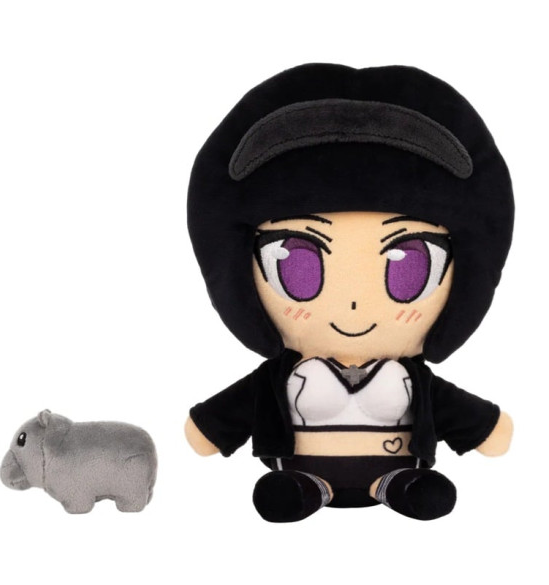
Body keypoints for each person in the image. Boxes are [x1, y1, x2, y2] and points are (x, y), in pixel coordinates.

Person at [185, 63, 514, 522]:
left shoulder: (411, 377)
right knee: (288, 494)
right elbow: (223, 418)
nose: (354, 305)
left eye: (410, 265)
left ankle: (400, 486)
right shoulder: (279, 375)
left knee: (419, 492)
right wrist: (212, 427)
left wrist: (484, 427)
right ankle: (304, 488)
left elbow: (470, 420)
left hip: (396, 469)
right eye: (297, 265)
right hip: (300, 472)